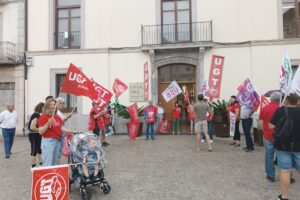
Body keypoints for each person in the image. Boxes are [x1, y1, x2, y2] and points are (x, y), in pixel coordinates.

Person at [269, 94, 300, 200]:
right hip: (299, 146)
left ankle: (284, 196)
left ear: (286, 100)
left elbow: (271, 126)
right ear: (298, 101)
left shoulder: (280, 111)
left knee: (285, 171)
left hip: (283, 146)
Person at [38, 98, 73, 166]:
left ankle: (52, 176)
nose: (52, 106)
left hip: (57, 141)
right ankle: (47, 176)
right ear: (47, 106)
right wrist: (48, 123)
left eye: (54, 104)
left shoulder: (56, 116)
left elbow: (60, 127)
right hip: (48, 142)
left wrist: (69, 131)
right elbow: (40, 132)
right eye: (50, 105)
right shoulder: (43, 117)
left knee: (54, 164)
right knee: (47, 164)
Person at [258, 92, 280, 182]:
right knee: (283, 155)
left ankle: (270, 175)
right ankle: (287, 175)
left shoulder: (264, 108)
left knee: (269, 155)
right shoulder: (282, 108)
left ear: (270, 99)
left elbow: (260, 124)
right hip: (280, 136)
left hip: (268, 135)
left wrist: (265, 131)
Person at [56, 97, 72, 164]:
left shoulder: (60, 112)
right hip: (57, 134)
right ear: (56, 104)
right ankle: (56, 166)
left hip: (61, 133)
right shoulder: (56, 112)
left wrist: (66, 118)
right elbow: (58, 124)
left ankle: (57, 165)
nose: (62, 104)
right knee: (57, 151)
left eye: (63, 103)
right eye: (60, 103)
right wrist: (67, 117)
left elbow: (62, 122)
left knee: (59, 151)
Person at [28, 102, 44, 168]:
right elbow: (32, 127)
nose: (45, 109)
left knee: (39, 149)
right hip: (34, 135)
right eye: (44, 108)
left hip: (37, 135)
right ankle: (33, 166)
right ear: (40, 108)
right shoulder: (35, 116)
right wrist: (40, 130)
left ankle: (41, 164)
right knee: (34, 150)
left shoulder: (38, 115)